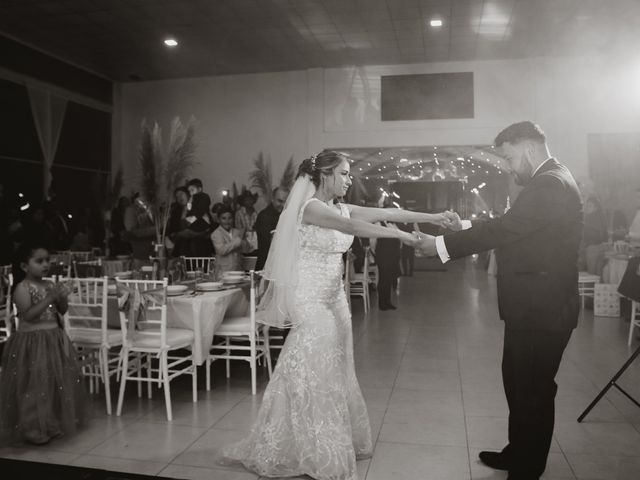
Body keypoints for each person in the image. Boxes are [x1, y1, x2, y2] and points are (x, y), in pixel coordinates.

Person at [218, 151, 455, 480]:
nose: (349, 180)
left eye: (349, 174)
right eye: (343, 174)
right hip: (310, 299)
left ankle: (313, 438)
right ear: (325, 175)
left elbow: (387, 211)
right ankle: (313, 447)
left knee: (336, 368)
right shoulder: (311, 208)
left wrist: (434, 216)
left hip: (335, 298)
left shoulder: (340, 205)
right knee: (316, 371)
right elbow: (350, 226)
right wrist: (401, 236)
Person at [415, 121, 583, 480]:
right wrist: (462, 228)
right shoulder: (549, 180)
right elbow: (514, 225)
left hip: (544, 310)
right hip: (533, 308)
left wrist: (441, 246)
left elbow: (507, 229)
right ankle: (517, 452)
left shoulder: (551, 183)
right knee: (517, 383)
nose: (509, 166)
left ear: (527, 147)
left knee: (534, 391)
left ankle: (526, 469)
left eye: (508, 157)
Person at [0, 243, 87, 446]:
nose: (46, 264)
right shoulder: (22, 288)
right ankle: (31, 427)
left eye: (48, 260)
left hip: (52, 337)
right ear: (24, 266)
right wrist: (50, 297)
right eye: (39, 261)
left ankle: (48, 422)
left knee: (51, 383)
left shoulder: (49, 284)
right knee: (34, 384)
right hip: (32, 341)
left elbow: (62, 311)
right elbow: (29, 315)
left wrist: (61, 298)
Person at [371, 196, 402, 310]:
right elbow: (373, 240)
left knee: (389, 277)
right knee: (383, 278)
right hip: (383, 254)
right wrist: (375, 252)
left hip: (392, 255)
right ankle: (382, 303)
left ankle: (388, 301)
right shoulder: (378, 223)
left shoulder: (392, 223)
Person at [255, 187, 288, 270]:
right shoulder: (265, 216)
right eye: (280, 201)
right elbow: (268, 245)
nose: (283, 205)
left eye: (286, 202)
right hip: (267, 266)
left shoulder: (285, 215)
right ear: (272, 199)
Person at [211, 206, 246, 273]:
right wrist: (238, 239)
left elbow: (244, 249)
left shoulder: (237, 232)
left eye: (230, 218)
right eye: (223, 218)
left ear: (233, 219)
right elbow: (222, 250)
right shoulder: (216, 234)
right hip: (223, 271)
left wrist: (246, 240)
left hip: (238, 270)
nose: (227, 221)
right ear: (218, 220)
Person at [185, 179, 214, 256]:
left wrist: (190, 221)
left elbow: (200, 211)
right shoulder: (191, 198)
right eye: (189, 191)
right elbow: (189, 209)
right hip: (195, 225)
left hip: (202, 224)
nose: (191, 192)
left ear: (200, 189)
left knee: (202, 250)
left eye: (192, 190)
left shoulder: (204, 197)